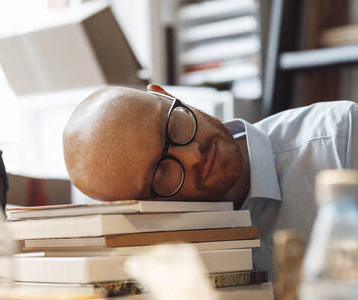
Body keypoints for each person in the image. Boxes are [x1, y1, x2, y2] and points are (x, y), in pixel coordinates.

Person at [63, 83, 358, 275]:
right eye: (163, 171)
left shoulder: (341, 141)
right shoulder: (166, 260)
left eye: (174, 126)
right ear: (143, 206)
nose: (193, 155)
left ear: (166, 94)